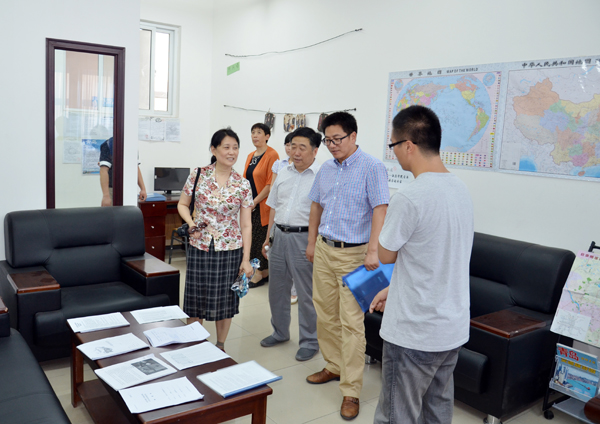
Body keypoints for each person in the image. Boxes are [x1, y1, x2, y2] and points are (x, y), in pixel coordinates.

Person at [370, 105, 474, 424]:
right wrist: (395, 288)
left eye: (393, 145)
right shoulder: (460, 189)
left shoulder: (409, 196)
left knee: (396, 415)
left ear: (408, 146)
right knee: (437, 410)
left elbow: (386, 255)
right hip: (451, 328)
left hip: (414, 332)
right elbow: (435, 257)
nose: (394, 153)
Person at [305, 112, 389, 420]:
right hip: (325, 249)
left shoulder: (372, 167)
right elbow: (316, 205)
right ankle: (333, 365)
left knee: (352, 323)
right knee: (325, 313)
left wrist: (373, 250)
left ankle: (351, 390)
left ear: (353, 136)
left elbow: (380, 209)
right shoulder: (326, 168)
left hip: (356, 256)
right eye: (327, 140)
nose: (331, 145)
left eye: (337, 139)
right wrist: (312, 242)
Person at [177, 128, 254, 353]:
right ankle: (194, 344)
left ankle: (220, 345)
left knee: (225, 301)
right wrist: (191, 224)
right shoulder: (198, 174)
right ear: (214, 149)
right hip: (200, 246)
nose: (232, 152)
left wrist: (246, 259)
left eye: (235, 147)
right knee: (195, 299)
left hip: (230, 249)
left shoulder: (242, 184)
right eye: (226, 147)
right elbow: (182, 204)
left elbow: (246, 225)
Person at [259, 127, 321, 361]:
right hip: (279, 235)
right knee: (277, 289)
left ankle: (310, 341)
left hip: (303, 237)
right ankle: (280, 332)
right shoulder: (283, 172)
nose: (296, 152)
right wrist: (268, 237)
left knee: (306, 293)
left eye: (302, 147)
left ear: (315, 150)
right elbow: (273, 207)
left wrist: (313, 243)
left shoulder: (321, 176)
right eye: (293, 146)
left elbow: (322, 213)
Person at [243, 123, 279, 287]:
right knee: (250, 238)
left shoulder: (272, 154)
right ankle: (262, 271)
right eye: (253, 132)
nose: (255, 135)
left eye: (259, 132)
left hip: (262, 205)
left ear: (267, 136)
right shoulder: (250, 155)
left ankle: (259, 273)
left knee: (259, 240)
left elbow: (270, 184)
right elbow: (245, 180)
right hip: (250, 204)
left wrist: (255, 202)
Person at [271, 133, 298, 304]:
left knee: (295, 263)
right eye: (288, 145)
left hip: (298, 227)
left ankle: (294, 291)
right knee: (280, 264)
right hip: (280, 218)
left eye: (294, 145)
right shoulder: (280, 165)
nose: (291, 149)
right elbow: (273, 193)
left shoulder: (314, 171)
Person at [99, 137, 147, 205]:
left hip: (129, 189)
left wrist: (143, 189)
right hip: (113, 189)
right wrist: (106, 196)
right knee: (111, 211)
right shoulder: (108, 144)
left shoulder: (132, 145)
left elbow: (135, 167)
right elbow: (103, 171)